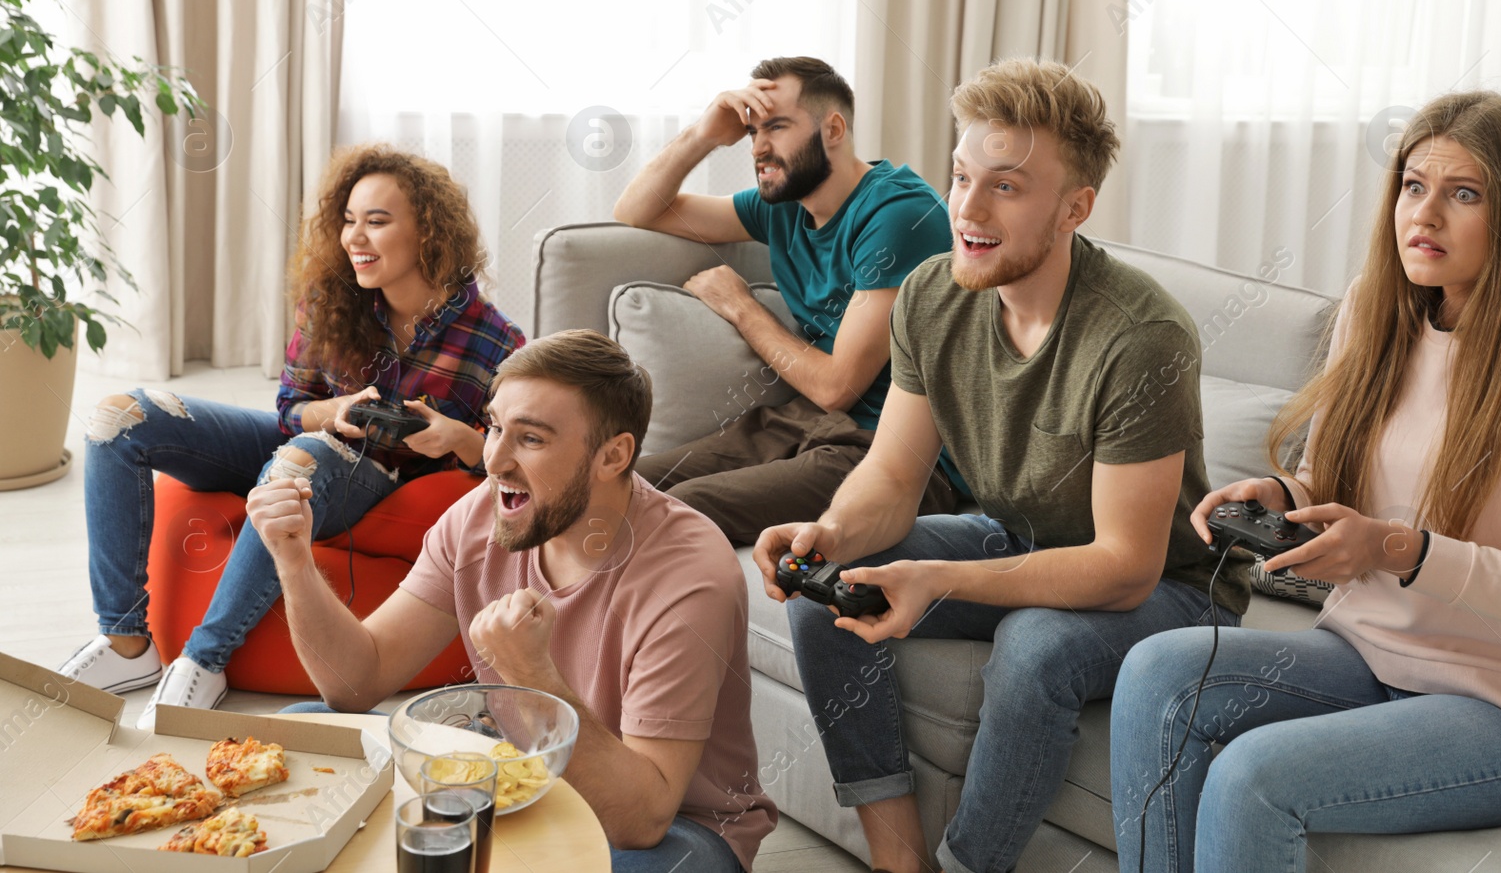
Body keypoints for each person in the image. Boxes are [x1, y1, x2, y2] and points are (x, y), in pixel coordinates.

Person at [752, 58, 1250, 873]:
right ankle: (899, 860)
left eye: (1007, 188)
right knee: (826, 592)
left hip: (1174, 591)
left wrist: (939, 579)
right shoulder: (931, 295)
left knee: (1036, 646)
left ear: (1074, 208)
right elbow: (891, 475)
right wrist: (833, 531)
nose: (968, 211)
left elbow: (1125, 568)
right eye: (960, 177)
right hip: (1014, 536)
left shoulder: (1140, 336)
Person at [1110, 91, 1501, 873]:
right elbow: (1328, 483)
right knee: (1156, 672)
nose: (1425, 215)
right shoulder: (1374, 311)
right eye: (1412, 185)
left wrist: (1405, 549)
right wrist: (1285, 500)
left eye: (1463, 193)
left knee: (1251, 777)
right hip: (1369, 654)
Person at [246, 330, 777, 871]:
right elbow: (356, 683)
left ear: (613, 455)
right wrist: (294, 561)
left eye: (531, 439)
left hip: (674, 829)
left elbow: (640, 820)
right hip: (522, 776)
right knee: (307, 731)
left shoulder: (688, 575)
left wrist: (532, 674)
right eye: (495, 426)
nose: (494, 460)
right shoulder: (480, 516)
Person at [60, 145, 524, 728]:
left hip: (379, 478)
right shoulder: (332, 300)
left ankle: (206, 660)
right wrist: (334, 411)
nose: (355, 238)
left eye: (377, 222)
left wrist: (459, 438)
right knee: (118, 418)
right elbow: (290, 409)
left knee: (296, 465)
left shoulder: (495, 340)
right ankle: (127, 642)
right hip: (313, 442)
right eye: (349, 221)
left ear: (429, 234)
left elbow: (519, 459)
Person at [613, 55, 960, 543]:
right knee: (611, 482)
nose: (758, 147)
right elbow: (636, 208)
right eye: (752, 131)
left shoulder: (899, 214)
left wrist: (740, 306)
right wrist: (705, 134)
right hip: (806, 423)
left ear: (833, 128)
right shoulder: (782, 207)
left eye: (776, 127)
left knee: (677, 511)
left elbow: (840, 386)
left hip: (893, 452)